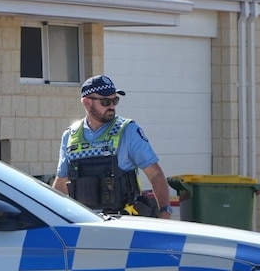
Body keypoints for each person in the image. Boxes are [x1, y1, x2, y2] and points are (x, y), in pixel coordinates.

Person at [52, 75, 173, 219]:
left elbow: (155, 174)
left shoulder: (128, 130)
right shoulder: (70, 135)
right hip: (85, 222)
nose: (112, 106)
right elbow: (61, 183)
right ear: (87, 102)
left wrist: (165, 212)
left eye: (115, 100)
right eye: (105, 101)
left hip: (124, 221)